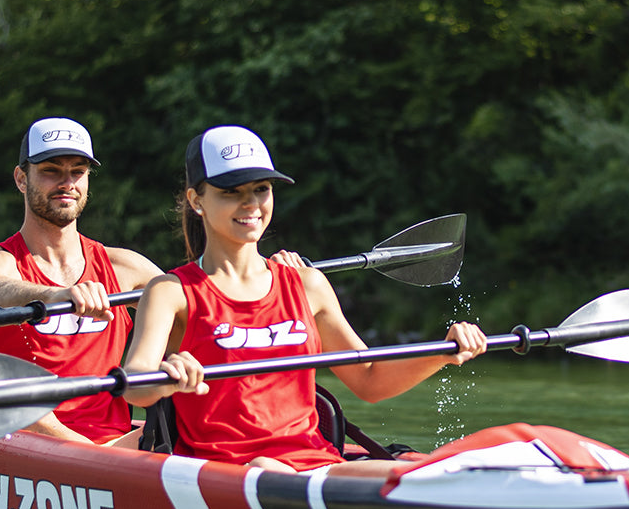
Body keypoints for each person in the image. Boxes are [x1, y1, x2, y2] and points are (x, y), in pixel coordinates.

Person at [122, 125, 486, 475]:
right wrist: (168, 379)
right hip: (227, 475)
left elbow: (370, 380)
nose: (251, 203)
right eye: (231, 191)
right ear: (196, 200)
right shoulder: (170, 291)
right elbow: (136, 384)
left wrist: (442, 352)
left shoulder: (308, 284)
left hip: (313, 462)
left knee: (426, 475)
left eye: (261, 189)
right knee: (266, 467)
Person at [0, 116, 163, 445]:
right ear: (21, 178)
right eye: (51, 170)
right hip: (27, 440)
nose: (67, 182)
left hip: (114, 446)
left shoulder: (126, 268)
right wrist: (56, 295)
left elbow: (202, 303)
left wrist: (264, 272)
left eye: (78, 171)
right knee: (28, 405)